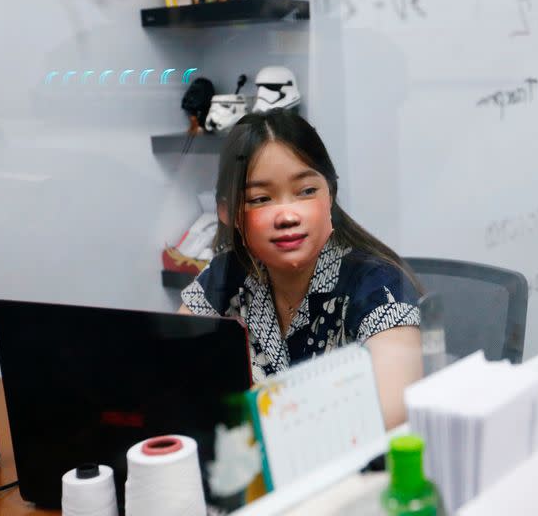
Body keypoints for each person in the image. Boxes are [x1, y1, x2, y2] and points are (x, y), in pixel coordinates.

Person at [179, 109, 423, 428]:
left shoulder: (375, 282)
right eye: (261, 198)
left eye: (306, 191)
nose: (287, 216)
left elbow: (390, 411)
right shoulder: (229, 274)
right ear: (228, 212)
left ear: (330, 195)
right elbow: (170, 369)